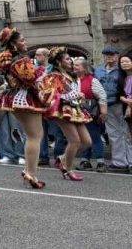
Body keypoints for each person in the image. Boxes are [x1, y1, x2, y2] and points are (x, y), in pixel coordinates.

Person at [0, 27, 47, 189]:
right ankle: (30, 173)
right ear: (14, 44)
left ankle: (29, 170)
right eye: (22, 40)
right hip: (23, 96)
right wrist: (42, 70)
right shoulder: (19, 59)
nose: (25, 43)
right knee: (34, 135)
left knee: (33, 135)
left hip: (15, 97)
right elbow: (31, 78)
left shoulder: (13, 58)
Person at [40, 47, 92, 181]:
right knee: (74, 140)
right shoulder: (54, 76)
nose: (71, 61)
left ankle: (62, 158)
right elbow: (54, 95)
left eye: (71, 59)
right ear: (59, 62)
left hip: (76, 109)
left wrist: (79, 97)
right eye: (68, 59)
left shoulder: (72, 75)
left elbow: (74, 93)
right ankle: (68, 169)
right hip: (62, 110)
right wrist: (76, 94)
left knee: (86, 142)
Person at [95, 47, 131, 172]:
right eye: (107, 55)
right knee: (113, 134)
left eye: (112, 55)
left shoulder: (122, 70)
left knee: (126, 133)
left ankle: (130, 162)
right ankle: (119, 162)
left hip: (121, 105)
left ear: (117, 56)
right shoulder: (98, 70)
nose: (109, 57)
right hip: (105, 106)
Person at [73, 57, 108, 172]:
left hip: (90, 113)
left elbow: (102, 96)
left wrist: (103, 112)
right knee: (83, 138)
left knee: (95, 136)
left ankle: (100, 163)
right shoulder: (72, 80)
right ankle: (85, 161)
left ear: (84, 68)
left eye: (77, 65)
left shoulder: (92, 80)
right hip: (77, 113)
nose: (74, 66)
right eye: (74, 64)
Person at [118, 56, 132, 150]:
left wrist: (129, 106)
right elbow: (119, 94)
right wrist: (126, 100)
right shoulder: (122, 78)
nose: (124, 63)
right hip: (126, 108)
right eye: (122, 62)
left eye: (127, 61)